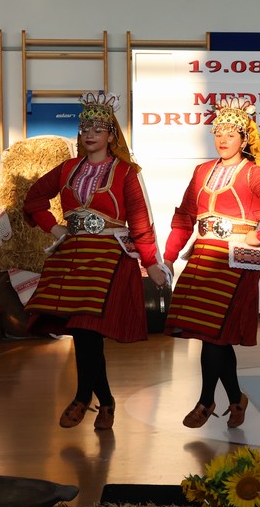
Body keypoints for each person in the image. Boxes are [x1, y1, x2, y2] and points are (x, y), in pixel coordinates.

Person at [24, 92, 164, 431]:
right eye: (85, 128)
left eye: (98, 129)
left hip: (107, 257)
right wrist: (54, 227)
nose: (90, 134)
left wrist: (151, 262)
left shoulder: (126, 172)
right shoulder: (68, 169)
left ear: (111, 135)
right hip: (72, 256)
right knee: (81, 333)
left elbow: (140, 221)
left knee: (88, 332)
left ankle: (83, 397)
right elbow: (34, 198)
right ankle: (103, 400)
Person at [163, 96, 260, 429]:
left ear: (244, 140)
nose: (223, 139)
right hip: (203, 256)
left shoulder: (252, 173)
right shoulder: (202, 171)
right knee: (211, 335)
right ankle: (235, 399)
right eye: (218, 133)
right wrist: (168, 256)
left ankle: (206, 401)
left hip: (236, 262)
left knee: (214, 335)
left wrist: (258, 235)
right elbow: (185, 216)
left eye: (230, 134)